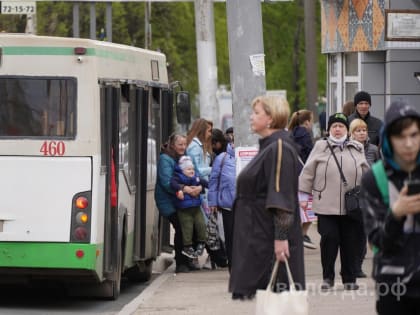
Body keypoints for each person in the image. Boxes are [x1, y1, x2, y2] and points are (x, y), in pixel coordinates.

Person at [229, 95, 305, 300]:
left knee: (278, 300)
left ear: (271, 118)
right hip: (260, 239)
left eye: (256, 113)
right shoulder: (271, 146)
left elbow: (282, 199)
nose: (251, 117)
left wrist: (281, 240)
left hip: (270, 243)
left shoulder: (279, 147)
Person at [361, 100, 420, 315]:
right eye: (401, 137)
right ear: (388, 139)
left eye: (414, 135)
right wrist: (396, 214)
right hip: (393, 283)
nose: (408, 144)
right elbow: (377, 240)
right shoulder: (374, 178)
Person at [299, 112, 369, 290]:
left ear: (347, 129)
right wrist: (303, 196)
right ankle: (327, 277)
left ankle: (349, 278)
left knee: (350, 241)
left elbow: (366, 172)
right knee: (330, 238)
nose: (337, 129)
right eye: (334, 126)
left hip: (351, 206)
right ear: (329, 129)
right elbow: (308, 171)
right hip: (325, 204)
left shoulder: (356, 147)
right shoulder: (321, 146)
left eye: (341, 126)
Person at [155, 133, 202, 273]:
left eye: (184, 144)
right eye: (180, 144)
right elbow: (166, 182)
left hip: (186, 200)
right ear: (172, 145)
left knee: (193, 227)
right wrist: (185, 189)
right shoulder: (165, 158)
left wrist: (198, 187)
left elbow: (196, 174)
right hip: (169, 202)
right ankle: (181, 262)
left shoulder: (186, 157)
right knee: (182, 228)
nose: (183, 147)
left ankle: (188, 260)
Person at [349, 118, 380, 279]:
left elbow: (380, 167)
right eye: (358, 130)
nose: (362, 133)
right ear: (352, 133)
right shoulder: (347, 148)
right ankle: (351, 265)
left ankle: (358, 266)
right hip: (351, 195)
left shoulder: (374, 149)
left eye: (364, 130)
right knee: (352, 233)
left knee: (363, 232)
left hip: (369, 195)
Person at [288, 109, 317, 250]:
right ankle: (302, 234)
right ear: (307, 122)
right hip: (304, 174)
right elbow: (310, 154)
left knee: (300, 206)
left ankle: (299, 235)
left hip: (293, 173)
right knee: (309, 206)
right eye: (312, 121)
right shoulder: (304, 134)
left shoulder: (291, 133)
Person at [170, 155, 208, 258]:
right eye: (188, 169)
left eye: (192, 169)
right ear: (182, 170)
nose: (191, 171)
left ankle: (201, 242)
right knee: (187, 228)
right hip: (184, 209)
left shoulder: (195, 177)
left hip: (196, 207)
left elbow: (203, 182)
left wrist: (205, 186)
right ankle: (187, 246)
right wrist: (180, 189)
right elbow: (172, 184)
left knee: (201, 225)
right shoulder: (178, 177)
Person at [208, 132, 235, 271]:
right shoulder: (221, 158)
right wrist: (212, 202)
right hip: (227, 205)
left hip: (246, 205)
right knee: (230, 237)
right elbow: (213, 180)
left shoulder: (247, 157)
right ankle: (233, 267)